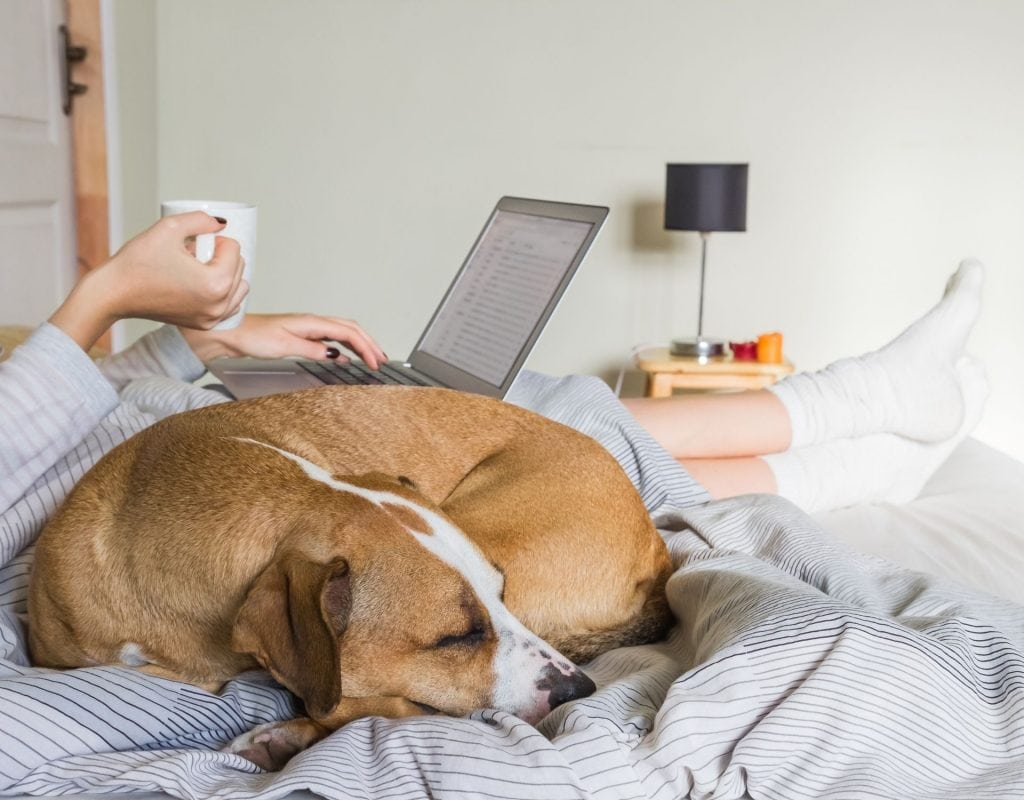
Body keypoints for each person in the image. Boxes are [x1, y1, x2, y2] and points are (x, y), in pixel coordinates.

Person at [0, 212, 987, 567]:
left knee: (526, 403)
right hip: (162, 496)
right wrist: (109, 291)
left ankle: (846, 427)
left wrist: (198, 342)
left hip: (166, 427)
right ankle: (852, 419)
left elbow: (45, 403)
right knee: (525, 432)